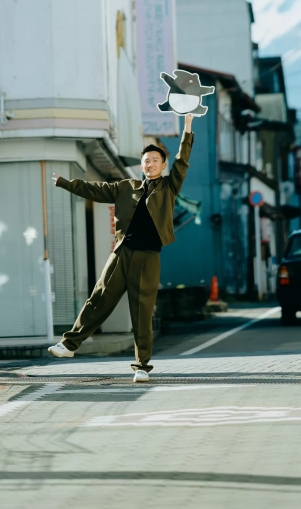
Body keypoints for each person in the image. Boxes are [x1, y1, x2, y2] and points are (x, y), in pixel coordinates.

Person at [48, 113, 194, 383]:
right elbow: (96, 189)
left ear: (163, 165)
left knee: (141, 311)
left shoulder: (170, 187)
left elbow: (182, 160)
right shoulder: (126, 187)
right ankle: (69, 345)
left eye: (154, 161)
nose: (149, 164)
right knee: (98, 300)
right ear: (141, 165)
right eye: (146, 161)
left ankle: (142, 366)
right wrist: (66, 183)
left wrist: (187, 126)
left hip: (149, 258)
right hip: (121, 253)